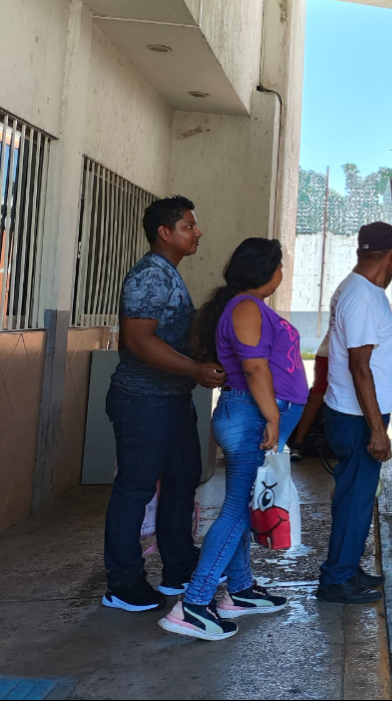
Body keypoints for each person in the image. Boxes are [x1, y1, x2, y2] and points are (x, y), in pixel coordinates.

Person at [159, 238, 308, 640]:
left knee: (241, 504)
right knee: (237, 510)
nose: (281, 274)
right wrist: (273, 416)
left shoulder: (248, 306)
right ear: (265, 270)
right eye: (279, 266)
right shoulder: (244, 307)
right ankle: (194, 604)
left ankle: (239, 589)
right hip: (251, 415)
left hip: (251, 414)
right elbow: (255, 368)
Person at [102, 196, 225, 613]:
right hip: (142, 401)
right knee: (134, 490)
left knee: (183, 478)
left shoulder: (168, 274)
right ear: (165, 232)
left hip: (171, 400)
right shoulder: (150, 275)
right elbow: (139, 340)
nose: (198, 232)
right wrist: (193, 368)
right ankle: (123, 583)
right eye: (190, 225)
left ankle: (178, 567)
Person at [316, 222, 392, 605]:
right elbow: (360, 367)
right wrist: (377, 431)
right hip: (356, 419)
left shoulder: (357, 290)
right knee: (354, 499)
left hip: (355, 415)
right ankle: (336, 580)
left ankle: (347, 568)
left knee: (355, 497)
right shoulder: (363, 297)